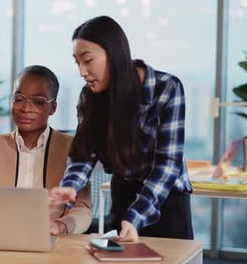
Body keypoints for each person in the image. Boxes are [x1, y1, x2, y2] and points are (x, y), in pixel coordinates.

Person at [49, 16, 193, 242]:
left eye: (87, 60)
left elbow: (167, 166)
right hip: (122, 193)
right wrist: (70, 186)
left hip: (165, 199)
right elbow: (84, 154)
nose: (82, 71)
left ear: (114, 54)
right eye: (77, 62)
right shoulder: (89, 97)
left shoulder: (167, 88)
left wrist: (136, 216)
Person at [0, 65, 92, 235]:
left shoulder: (72, 147)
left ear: (53, 108)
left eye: (39, 102)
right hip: (1, 239)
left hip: (55, 242)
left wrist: (61, 225)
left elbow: (83, 208)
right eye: (18, 99)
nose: (25, 108)